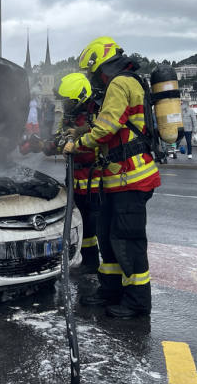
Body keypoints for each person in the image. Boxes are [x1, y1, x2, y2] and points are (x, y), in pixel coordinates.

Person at [64, 37, 161, 318]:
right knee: (107, 236)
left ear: (101, 64)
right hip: (118, 180)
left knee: (128, 240)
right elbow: (112, 125)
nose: (95, 78)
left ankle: (137, 301)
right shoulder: (125, 82)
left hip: (131, 178)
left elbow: (107, 127)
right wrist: (79, 132)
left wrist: (78, 145)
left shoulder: (119, 83)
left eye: (93, 72)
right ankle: (111, 290)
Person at [53, 73, 101, 274]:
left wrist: (77, 139)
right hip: (74, 179)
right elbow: (58, 140)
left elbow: (100, 137)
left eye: (68, 100)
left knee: (97, 225)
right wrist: (58, 143)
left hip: (95, 180)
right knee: (83, 225)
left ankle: (104, 269)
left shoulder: (96, 114)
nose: (65, 104)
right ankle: (89, 263)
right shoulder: (68, 117)